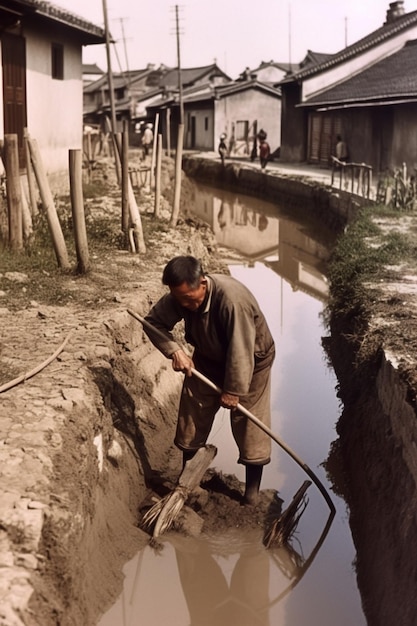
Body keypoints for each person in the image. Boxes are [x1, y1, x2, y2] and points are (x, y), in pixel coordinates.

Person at [144, 255, 275, 506]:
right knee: (193, 410)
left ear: (202, 283)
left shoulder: (233, 301)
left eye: (189, 299)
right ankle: (187, 482)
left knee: (248, 421)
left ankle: (251, 494)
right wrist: (175, 350)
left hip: (252, 361)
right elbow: (153, 323)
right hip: (208, 356)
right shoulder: (181, 296)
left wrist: (233, 390)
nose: (184, 305)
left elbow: (241, 351)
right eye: (179, 299)